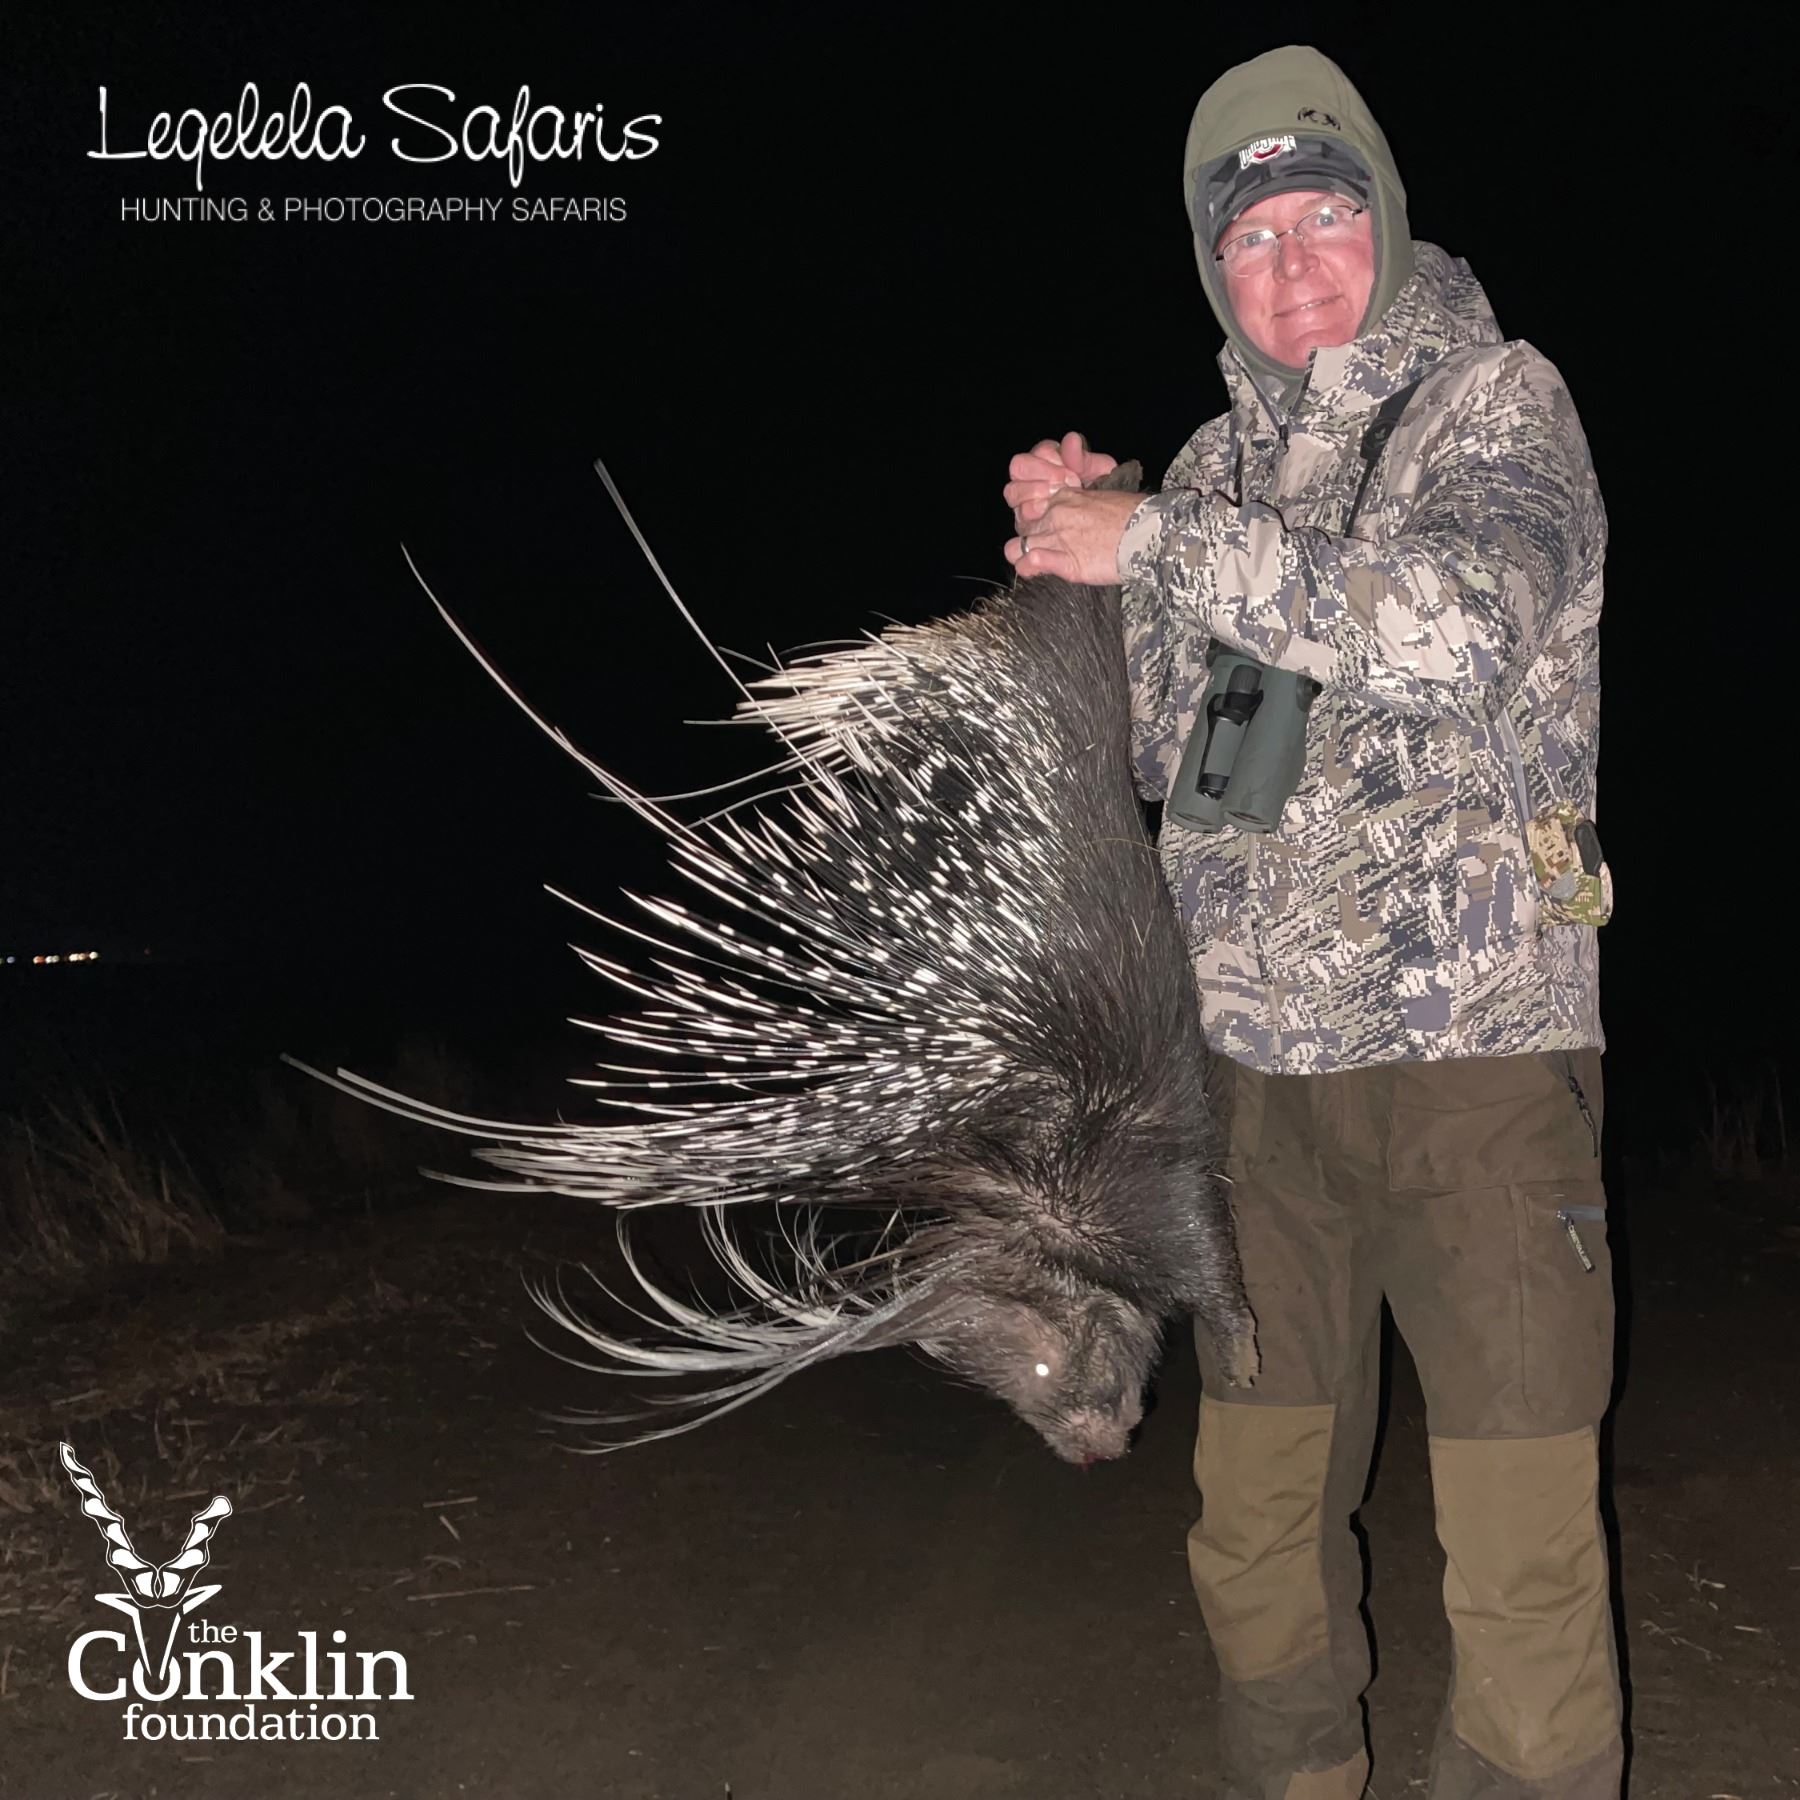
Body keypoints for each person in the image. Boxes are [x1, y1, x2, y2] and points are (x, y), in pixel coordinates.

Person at [1002, 44, 1618, 1800]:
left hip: (1479, 1070)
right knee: (1256, 1527)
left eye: (1325, 217)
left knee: (1520, 1555)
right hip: (1256, 1093)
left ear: (1386, 224)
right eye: (1251, 237)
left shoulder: (1498, 402)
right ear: (1218, 274)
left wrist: (1158, 544)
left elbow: (1462, 625)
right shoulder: (1212, 470)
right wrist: (1076, 556)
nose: (1292, 264)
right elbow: (1154, 755)